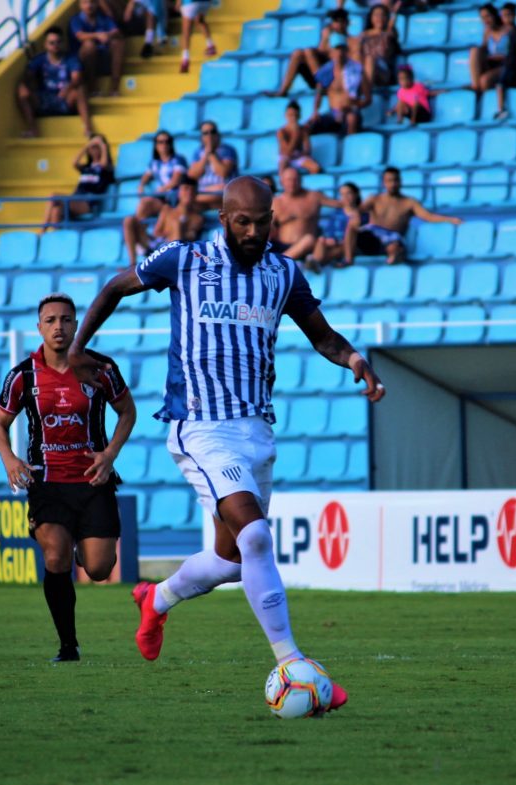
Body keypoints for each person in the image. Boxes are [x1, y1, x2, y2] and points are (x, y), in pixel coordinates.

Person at [66, 175, 385, 707]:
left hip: (257, 429)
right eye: (244, 221)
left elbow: (322, 337)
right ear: (224, 219)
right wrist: (79, 348)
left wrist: (355, 360)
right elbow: (115, 287)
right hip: (200, 426)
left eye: (264, 222)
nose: (255, 231)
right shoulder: (183, 260)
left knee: (234, 559)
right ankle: (293, 664)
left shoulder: (283, 274)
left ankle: (156, 598)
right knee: (256, 537)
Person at [0, 293, 136, 662]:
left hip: (93, 481)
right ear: (39, 327)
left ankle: (79, 541)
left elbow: (127, 412)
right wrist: (9, 458)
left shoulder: (99, 367)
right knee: (55, 556)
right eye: (51, 320)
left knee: (100, 568)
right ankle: (68, 645)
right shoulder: (23, 375)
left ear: (76, 325)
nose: (59, 326)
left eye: (66, 319)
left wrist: (110, 454)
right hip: (48, 483)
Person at [348, 167, 462, 265]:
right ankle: (347, 260)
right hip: (372, 235)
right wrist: (356, 216)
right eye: (389, 181)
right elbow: (358, 211)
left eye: (395, 180)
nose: (392, 184)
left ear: (400, 181)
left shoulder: (409, 202)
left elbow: (428, 216)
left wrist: (450, 219)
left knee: (395, 248)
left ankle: (391, 266)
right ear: (384, 182)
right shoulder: (374, 198)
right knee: (350, 228)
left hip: (392, 237)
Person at [18, 27, 93, 139]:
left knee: (80, 89)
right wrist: (29, 83)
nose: (55, 45)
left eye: (58, 42)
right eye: (51, 43)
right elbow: (27, 75)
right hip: (44, 100)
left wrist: (67, 88)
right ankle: (33, 130)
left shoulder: (70, 58)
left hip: (64, 99)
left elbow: (77, 77)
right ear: (45, 45)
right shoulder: (40, 59)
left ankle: (88, 129)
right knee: (21, 89)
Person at [123, 177, 205, 265]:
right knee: (129, 220)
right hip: (155, 246)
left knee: (176, 224)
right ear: (179, 193)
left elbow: (189, 239)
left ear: (196, 194)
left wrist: (176, 229)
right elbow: (156, 232)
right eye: (186, 189)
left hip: (173, 253)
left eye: (192, 190)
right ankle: (132, 264)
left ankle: (169, 268)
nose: (189, 193)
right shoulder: (167, 210)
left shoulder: (198, 218)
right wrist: (169, 232)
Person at [269, 9, 351, 97]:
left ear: (346, 23)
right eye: (336, 21)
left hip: (334, 78)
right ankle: (283, 91)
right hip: (319, 74)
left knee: (309, 51)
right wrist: (325, 38)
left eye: (341, 22)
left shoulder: (350, 40)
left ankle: (323, 84)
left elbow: (338, 61)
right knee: (297, 54)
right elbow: (321, 51)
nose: (338, 25)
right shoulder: (328, 34)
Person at [468, 3, 516, 121]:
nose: (485, 20)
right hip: (492, 64)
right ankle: (475, 86)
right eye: (482, 18)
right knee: (474, 51)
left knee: (485, 81)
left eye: (488, 16)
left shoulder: (509, 29)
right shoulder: (487, 32)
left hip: (507, 64)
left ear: (495, 15)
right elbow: (483, 51)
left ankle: (478, 91)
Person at [44, 134, 114, 227]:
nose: (94, 150)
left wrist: (102, 145)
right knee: (55, 211)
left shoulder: (106, 169)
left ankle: (42, 231)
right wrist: (87, 145)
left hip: (88, 203)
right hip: (76, 198)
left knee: (53, 196)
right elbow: (74, 162)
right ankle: (56, 238)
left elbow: (103, 165)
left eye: (96, 147)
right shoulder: (86, 168)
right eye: (92, 147)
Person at [271, 166, 341, 260]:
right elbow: (268, 229)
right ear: (282, 182)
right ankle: (285, 262)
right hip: (282, 247)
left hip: (308, 248)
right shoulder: (276, 202)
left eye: (295, 179)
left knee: (310, 240)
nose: (292, 183)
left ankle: (284, 263)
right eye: (289, 180)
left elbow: (341, 205)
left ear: (301, 180)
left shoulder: (314, 196)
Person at [308, 40, 371, 137]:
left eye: (342, 50)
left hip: (350, 111)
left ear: (347, 52)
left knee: (352, 118)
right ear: (331, 52)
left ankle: (350, 148)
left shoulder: (357, 70)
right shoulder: (326, 71)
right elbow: (319, 92)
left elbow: (368, 99)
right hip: (333, 113)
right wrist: (315, 111)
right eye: (337, 50)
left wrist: (355, 104)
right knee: (309, 125)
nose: (340, 53)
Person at [69, 0, 125, 96]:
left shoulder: (103, 17)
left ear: (97, 4)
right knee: (89, 46)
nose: (89, 6)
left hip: (103, 57)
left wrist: (107, 35)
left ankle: (114, 88)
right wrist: (97, 36)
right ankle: (93, 87)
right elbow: (80, 35)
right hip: (84, 63)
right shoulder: (76, 19)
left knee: (118, 43)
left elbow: (116, 31)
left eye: (92, 2)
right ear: (80, 5)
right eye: (85, 3)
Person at [133, 130, 188, 219]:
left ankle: (136, 226)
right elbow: (146, 176)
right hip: (162, 198)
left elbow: (176, 180)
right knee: (145, 205)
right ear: (156, 145)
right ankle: (138, 227)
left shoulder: (178, 159)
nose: (164, 144)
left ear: (171, 144)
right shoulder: (154, 162)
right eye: (160, 142)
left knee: (146, 203)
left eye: (167, 141)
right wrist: (141, 185)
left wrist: (161, 189)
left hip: (176, 198)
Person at [187, 121, 238, 210]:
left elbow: (223, 172)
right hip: (204, 192)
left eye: (212, 132)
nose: (209, 135)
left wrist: (211, 154)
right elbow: (193, 175)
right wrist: (205, 156)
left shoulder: (228, 150)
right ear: (202, 137)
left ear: (218, 134)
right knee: (186, 205)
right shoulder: (198, 152)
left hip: (222, 193)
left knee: (191, 200)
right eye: (206, 133)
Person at [311, 182, 363, 269]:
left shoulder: (363, 213)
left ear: (356, 194)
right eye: (342, 194)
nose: (345, 197)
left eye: (348, 193)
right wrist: (331, 240)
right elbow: (329, 232)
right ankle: (316, 262)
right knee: (321, 240)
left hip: (352, 246)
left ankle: (315, 262)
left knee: (341, 247)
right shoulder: (336, 214)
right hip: (334, 244)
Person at [359, 2, 401, 87]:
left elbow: (391, 24)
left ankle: (367, 92)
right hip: (364, 67)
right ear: (371, 17)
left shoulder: (389, 33)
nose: (379, 18)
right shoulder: (363, 35)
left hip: (384, 71)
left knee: (370, 59)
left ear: (387, 18)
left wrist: (394, 13)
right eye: (376, 15)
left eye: (382, 15)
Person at [277, 101, 321, 174]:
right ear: (286, 115)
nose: (293, 117)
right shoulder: (281, 131)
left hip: (299, 157)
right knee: (283, 163)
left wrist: (300, 154)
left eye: (295, 115)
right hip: (286, 158)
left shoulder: (303, 130)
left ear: (299, 116)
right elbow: (287, 152)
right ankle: (282, 182)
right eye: (290, 115)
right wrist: (296, 133)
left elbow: (308, 150)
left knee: (315, 168)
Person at [176, 0, 218, 74]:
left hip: (190, 2)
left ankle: (185, 59)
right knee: (200, 20)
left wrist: (178, 1)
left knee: (186, 32)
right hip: (205, 3)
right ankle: (210, 45)